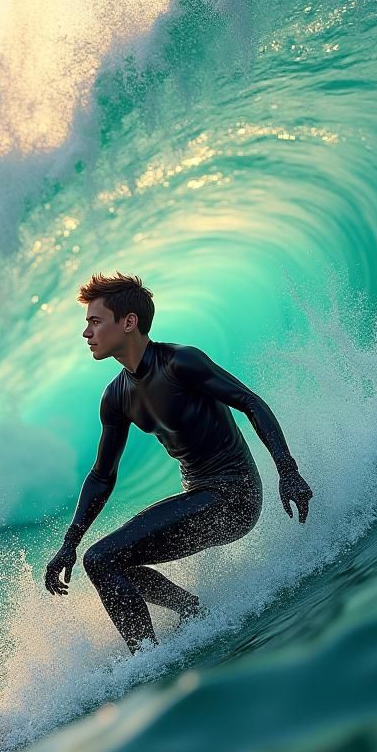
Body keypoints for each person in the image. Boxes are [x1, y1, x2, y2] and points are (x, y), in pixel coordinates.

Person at [45, 272, 313, 653]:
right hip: (200, 497)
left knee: (101, 559)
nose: (86, 332)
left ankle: (147, 660)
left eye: (95, 321)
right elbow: (102, 477)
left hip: (234, 496)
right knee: (109, 561)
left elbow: (250, 402)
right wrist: (69, 543)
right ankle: (190, 610)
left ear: (129, 322)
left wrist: (287, 471)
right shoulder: (116, 396)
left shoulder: (179, 362)